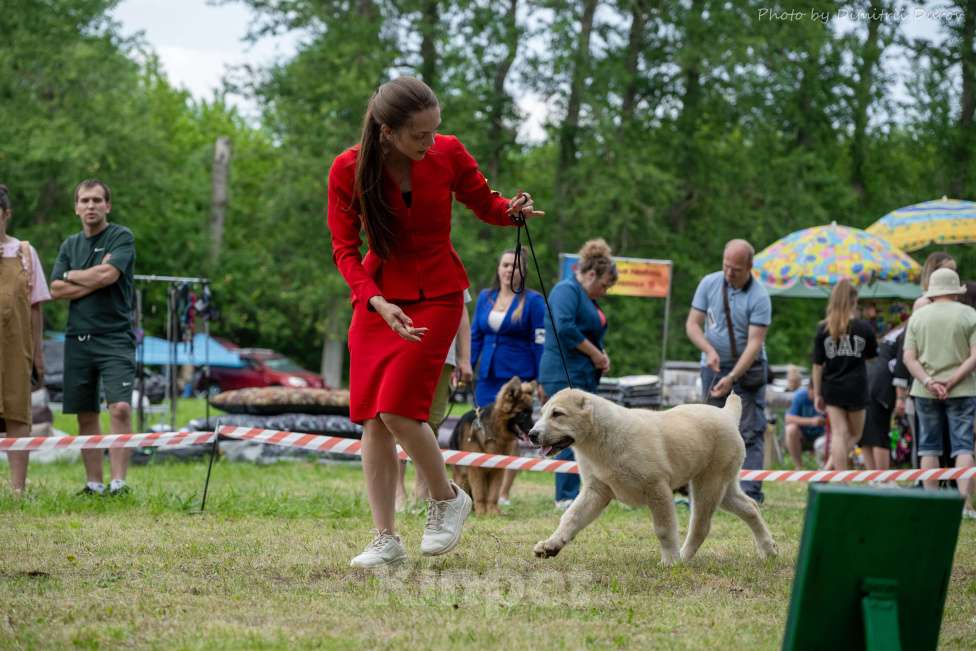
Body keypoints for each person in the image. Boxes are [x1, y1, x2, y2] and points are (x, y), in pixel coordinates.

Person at [326, 76, 543, 568]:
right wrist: (375, 300)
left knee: (399, 408)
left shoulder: (448, 153)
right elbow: (344, 249)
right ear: (387, 131)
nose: (430, 142)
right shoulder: (347, 169)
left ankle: (446, 498)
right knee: (372, 420)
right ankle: (386, 538)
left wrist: (512, 211)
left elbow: (485, 204)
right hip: (378, 299)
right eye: (419, 135)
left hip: (439, 295)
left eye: (434, 131)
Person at [50, 179, 137, 496]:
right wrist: (87, 278)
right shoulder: (69, 245)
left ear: (107, 206)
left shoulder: (121, 236)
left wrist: (72, 275)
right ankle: (94, 484)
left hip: (115, 337)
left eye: (97, 200)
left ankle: (119, 483)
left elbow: (109, 275)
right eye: (84, 200)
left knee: (120, 409)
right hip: (77, 338)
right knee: (86, 413)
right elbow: (55, 289)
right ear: (76, 207)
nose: (91, 206)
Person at [686, 239, 771, 503]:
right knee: (707, 429)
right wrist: (708, 350)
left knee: (750, 430)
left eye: (735, 269)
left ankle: (750, 491)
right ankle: (706, 489)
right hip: (712, 366)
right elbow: (692, 324)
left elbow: (755, 343)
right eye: (726, 266)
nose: (729, 273)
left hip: (748, 368)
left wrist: (732, 376)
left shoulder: (760, 297)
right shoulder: (709, 284)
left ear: (749, 267)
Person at [538, 238, 617, 510]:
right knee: (563, 434)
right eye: (604, 284)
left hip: (580, 375)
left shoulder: (584, 296)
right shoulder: (566, 290)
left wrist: (601, 356)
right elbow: (565, 328)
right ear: (591, 274)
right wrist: (595, 354)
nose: (604, 291)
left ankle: (582, 492)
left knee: (580, 435)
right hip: (562, 374)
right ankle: (565, 497)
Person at [470, 247, 545, 506]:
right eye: (504, 265)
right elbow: (475, 336)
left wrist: (538, 378)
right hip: (487, 375)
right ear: (498, 268)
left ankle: (501, 493)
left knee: (511, 433)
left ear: (523, 272)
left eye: (514, 267)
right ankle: (478, 490)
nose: (508, 271)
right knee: (483, 429)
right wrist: (467, 365)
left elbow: (540, 342)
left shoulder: (533, 301)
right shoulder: (485, 297)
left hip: (518, 378)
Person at [902, 267, 976, 519]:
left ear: (933, 292)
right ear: (955, 292)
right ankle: (964, 505)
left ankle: (931, 502)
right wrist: (953, 380)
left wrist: (929, 381)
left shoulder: (918, 317)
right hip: (963, 388)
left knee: (928, 447)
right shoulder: (969, 314)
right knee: (963, 446)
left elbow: (908, 358)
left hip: (924, 390)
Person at [396, 289, 473, 512]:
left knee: (429, 423)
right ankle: (397, 492)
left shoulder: (447, 261)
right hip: (400, 347)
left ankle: (422, 490)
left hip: (441, 355)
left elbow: (461, 312)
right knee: (396, 418)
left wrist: (464, 359)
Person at [0, 184, 51, 495]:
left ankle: (17, 489)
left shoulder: (25, 253)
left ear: (6, 214)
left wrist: (38, 353)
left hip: (16, 348)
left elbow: (36, 305)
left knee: (18, 413)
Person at [810, 279, 878, 471]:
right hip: (856, 386)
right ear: (854, 301)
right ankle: (836, 474)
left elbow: (817, 365)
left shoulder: (823, 328)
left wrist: (817, 394)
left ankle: (837, 478)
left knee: (839, 433)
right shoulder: (864, 328)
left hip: (832, 387)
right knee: (855, 434)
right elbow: (872, 356)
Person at [783, 366, 825, 470]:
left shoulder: (826, 397)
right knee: (791, 429)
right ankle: (799, 467)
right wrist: (812, 421)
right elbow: (788, 418)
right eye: (815, 392)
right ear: (810, 388)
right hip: (803, 436)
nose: (817, 396)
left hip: (822, 436)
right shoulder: (800, 395)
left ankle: (825, 467)